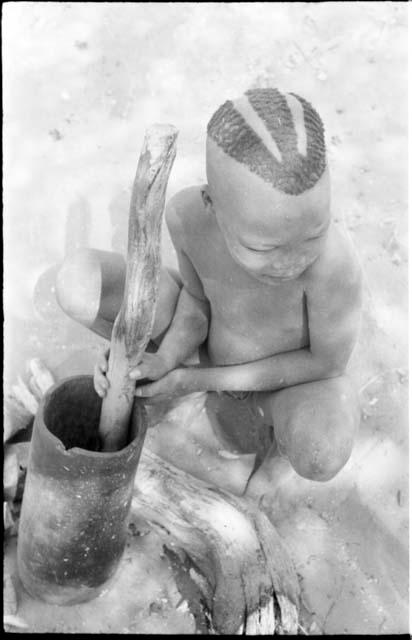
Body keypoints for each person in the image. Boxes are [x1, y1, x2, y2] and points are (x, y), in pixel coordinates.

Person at [56, 87, 362, 501]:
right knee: (77, 282)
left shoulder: (334, 264)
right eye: (262, 247)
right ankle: (152, 388)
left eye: (314, 232)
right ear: (211, 204)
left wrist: (194, 380)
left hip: (289, 382)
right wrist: (163, 359)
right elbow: (197, 303)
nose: (292, 262)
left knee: (320, 448)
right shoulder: (186, 216)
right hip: (207, 353)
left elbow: (325, 362)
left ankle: (276, 452)